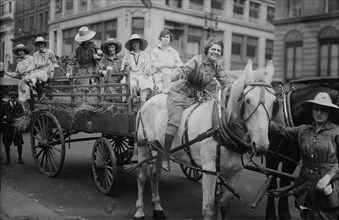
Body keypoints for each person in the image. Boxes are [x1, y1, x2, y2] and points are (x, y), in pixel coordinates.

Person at [162, 40, 231, 172]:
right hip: (181, 93)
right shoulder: (197, 60)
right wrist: (173, 76)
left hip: (198, 97)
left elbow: (226, 83)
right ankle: (165, 156)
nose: (216, 52)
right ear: (207, 50)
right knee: (174, 122)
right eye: (213, 49)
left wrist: (234, 91)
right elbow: (184, 70)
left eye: (218, 51)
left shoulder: (217, 67)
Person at [270, 92, 339, 220]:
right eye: (316, 109)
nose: (319, 113)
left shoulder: (336, 132)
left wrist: (328, 177)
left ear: (329, 112)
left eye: (324, 110)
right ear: (311, 111)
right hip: (306, 185)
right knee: (307, 215)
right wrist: (261, 118)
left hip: (328, 185)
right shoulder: (303, 130)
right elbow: (281, 130)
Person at [122, 34, 152, 109]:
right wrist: (127, 66)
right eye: (133, 43)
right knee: (132, 84)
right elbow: (124, 69)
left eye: (137, 43)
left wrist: (144, 76)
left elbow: (148, 67)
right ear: (131, 44)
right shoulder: (127, 55)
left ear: (139, 44)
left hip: (142, 74)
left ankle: (143, 102)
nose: (135, 44)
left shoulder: (145, 55)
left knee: (145, 82)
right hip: (131, 75)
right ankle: (134, 102)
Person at [68, 26, 102, 93]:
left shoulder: (94, 45)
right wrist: (69, 71)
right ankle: (82, 102)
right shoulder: (78, 48)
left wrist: (98, 56)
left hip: (93, 69)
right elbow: (72, 61)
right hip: (82, 71)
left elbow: (102, 56)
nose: (86, 40)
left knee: (93, 88)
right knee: (81, 89)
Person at [25, 36, 59, 101]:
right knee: (26, 79)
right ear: (36, 45)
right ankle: (40, 91)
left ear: (44, 44)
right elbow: (33, 64)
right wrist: (28, 70)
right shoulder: (35, 54)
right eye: (38, 44)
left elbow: (55, 63)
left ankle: (41, 92)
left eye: (41, 43)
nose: (40, 45)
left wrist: (51, 69)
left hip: (47, 70)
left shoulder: (49, 52)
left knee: (33, 77)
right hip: (38, 71)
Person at [149, 28, 183, 93]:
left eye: (167, 37)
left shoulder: (174, 52)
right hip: (158, 77)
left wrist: (173, 65)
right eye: (163, 37)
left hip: (170, 78)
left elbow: (180, 65)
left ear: (170, 39)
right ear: (160, 38)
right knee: (158, 91)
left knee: (173, 91)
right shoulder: (155, 51)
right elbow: (153, 64)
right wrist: (166, 65)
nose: (165, 39)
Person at [3, 44, 34, 109]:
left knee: (30, 101)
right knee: (23, 103)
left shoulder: (31, 59)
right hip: (22, 84)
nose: (20, 52)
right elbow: (17, 74)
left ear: (24, 51)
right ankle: (27, 116)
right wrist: (6, 73)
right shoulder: (19, 63)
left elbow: (36, 68)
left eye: (21, 50)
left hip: (31, 82)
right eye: (18, 51)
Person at [0, 91, 25, 165]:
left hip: (16, 128)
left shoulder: (19, 105)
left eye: (14, 98)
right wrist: (3, 121)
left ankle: (20, 158)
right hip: (7, 127)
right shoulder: (4, 105)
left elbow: (22, 115)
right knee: (6, 143)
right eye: (11, 98)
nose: (13, 99)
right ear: (9, 98)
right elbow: (1, 115)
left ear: (16, 98)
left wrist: (20, 123)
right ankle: (8, 159)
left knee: (19, 143)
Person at [98, 38, 125, 103]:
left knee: (118, 105)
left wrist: (126, 68)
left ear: (115, 48)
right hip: (107, 86)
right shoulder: (104, 59)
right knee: (107, 105)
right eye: (109, 47)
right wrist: (103, 72)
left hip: (118, 86)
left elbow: (123, 73)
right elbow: (100, 69)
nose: (111, 49)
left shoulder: (120, 60)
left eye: (112, 47)